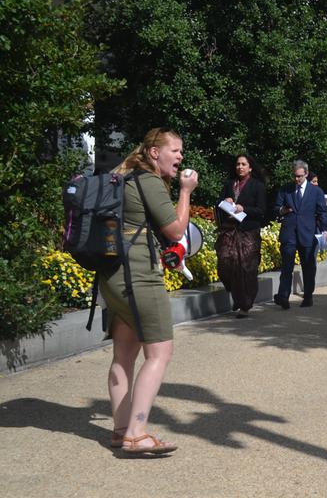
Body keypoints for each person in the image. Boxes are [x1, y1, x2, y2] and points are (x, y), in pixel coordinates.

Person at [101, 127, 197, 455]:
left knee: (123, 355)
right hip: (139, 275)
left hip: (113, 275)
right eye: (176, 150)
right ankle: (137, 433)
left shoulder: (121, 176)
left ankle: (120, 429)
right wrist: (185, 191)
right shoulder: (148, 180)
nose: (181, 157)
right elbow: (175, 229)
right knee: (159, 353)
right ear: (154, 152)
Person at [215, 154, 267, 318]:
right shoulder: (229, 184)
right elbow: (218, 205)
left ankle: (245, 304)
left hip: (248, 231)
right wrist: (225, 201)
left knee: (247, 268)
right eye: (238, 164)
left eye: (244, 164)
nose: (240, 167)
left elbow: (261, 211)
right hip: (229, 230)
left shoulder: (257, 186)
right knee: (224, 263)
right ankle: (236, 293)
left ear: (250, 167)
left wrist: (243, 208)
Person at [274, 160, 327, 309]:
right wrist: (282, 210)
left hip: (308, 233)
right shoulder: (286, 189)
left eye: (299, 176)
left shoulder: (316, 191)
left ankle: (308, 296)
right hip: (289, 232)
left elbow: (322, 212)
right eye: (295, 176)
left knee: (308, 267)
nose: (297, 179)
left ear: (306, 174)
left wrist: (325, 230)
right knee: (287, 266)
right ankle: (283, 297)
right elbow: (276, 208)